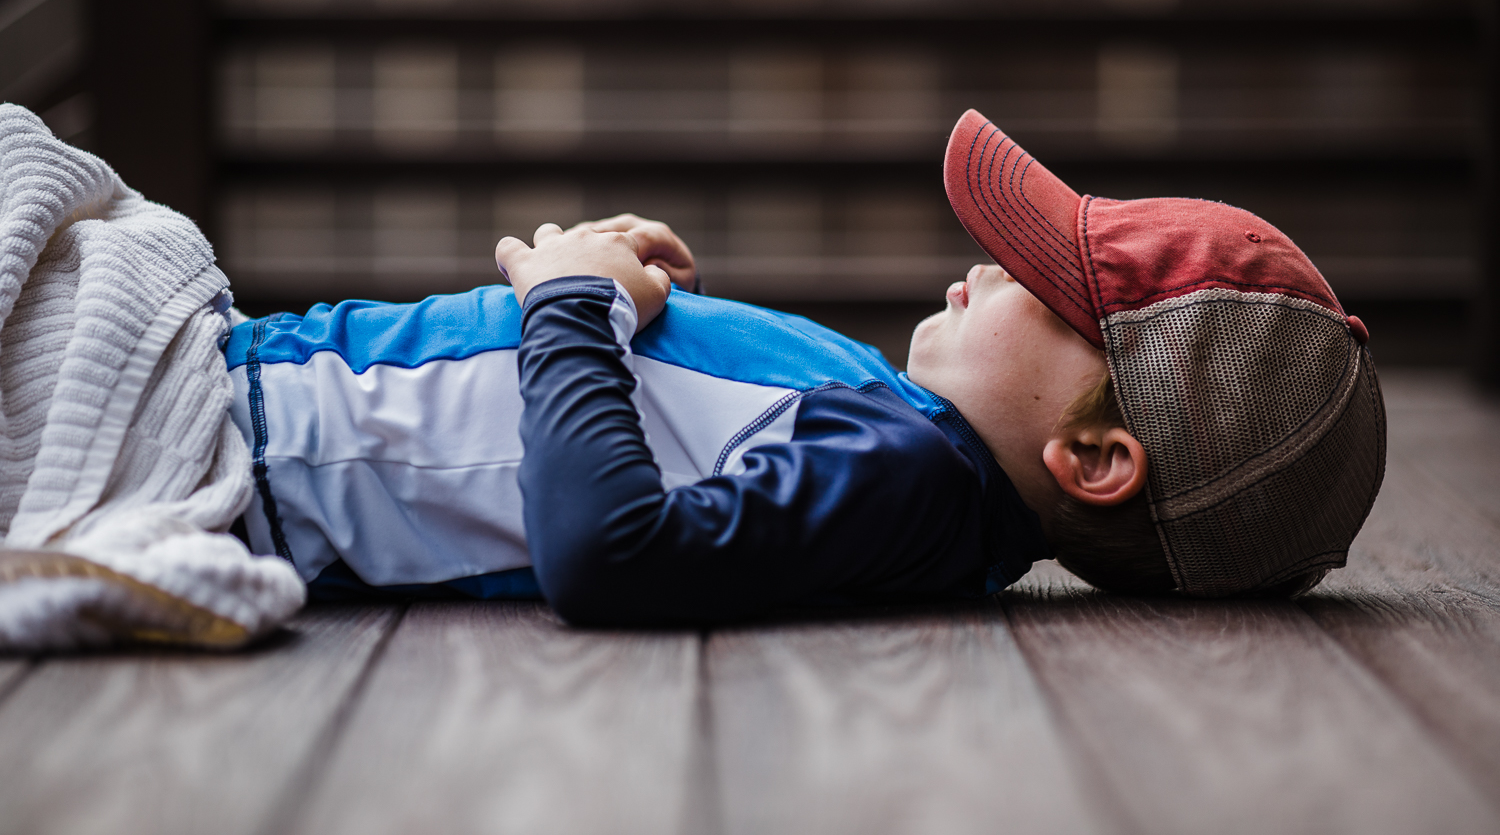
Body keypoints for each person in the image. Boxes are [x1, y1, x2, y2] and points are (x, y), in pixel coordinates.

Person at [226, 109, 1385, 624]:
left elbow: (612, 555)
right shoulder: (912, 443)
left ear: (1091, 457)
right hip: (269, 395)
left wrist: (576, 308)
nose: (977, 271)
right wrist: (630, 295)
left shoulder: (908, 475)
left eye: (1026, 279)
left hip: (257, 438)